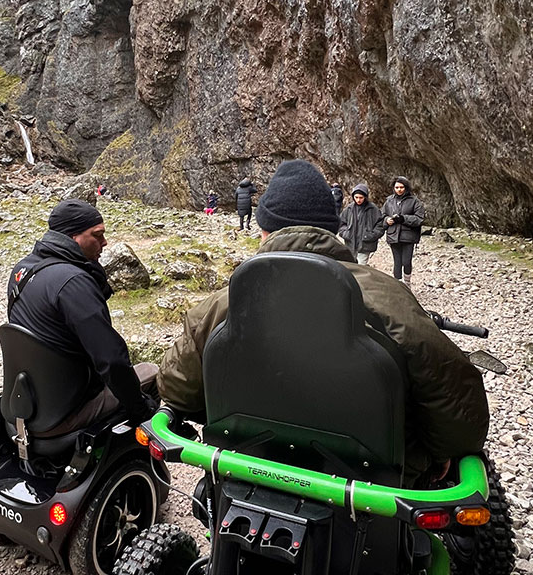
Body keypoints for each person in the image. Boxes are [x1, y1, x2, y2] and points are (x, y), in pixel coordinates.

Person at [157, 159, 488, 480]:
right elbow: (459, 413)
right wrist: (440, 453)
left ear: (264, 231)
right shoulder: (389, 297)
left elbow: (176, 389)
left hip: (246, 465)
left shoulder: (225, 302)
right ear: (330, 230)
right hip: (372, 483)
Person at [7, 199, 157, 435]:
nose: (104, 242)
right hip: (65, 413)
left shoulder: (23, 270)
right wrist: (141, 408)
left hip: (27, 405)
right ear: (73, 236)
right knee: (151, 372)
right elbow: (112, 360)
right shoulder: (73, 282)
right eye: (97, 235)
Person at [382, 176, 425, 286]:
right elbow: (381, 216)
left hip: (409, 236)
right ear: (393, 188)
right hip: (393, 235)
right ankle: (398, 286)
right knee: (397, 262)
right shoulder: (389, 201)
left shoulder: (415, 201)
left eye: (401, 187)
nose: (399, 189)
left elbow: (419, 219)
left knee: (406, 261)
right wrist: (387, 220)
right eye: (397, 187)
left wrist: (403, 219)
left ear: (406, 187)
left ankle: (407, 283)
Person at [337, 183, 385, 265]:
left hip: (365, 245)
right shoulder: (349, 209)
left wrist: (370, 235)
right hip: (350, 244)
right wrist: (346, 233)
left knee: (361, 266)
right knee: (351, 267)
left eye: (361, 197)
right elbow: (341, 223)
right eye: (356, 197)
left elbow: (380, 225)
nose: (358, 200)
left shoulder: (373, 209)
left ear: (365, 197)